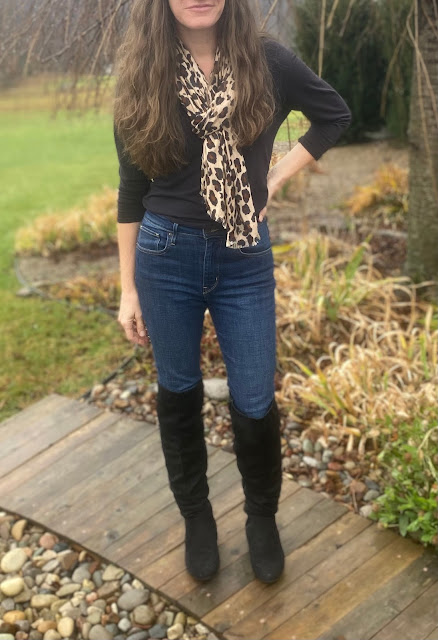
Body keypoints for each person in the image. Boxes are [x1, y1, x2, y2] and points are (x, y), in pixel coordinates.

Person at [113, 0, 351, 585]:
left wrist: (272, 175)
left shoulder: (266, 62)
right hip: (164, 255)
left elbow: (333, 115)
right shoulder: (144, 72)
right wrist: (127, 290)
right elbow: (130, 191)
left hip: (245, 255)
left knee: (253, 397)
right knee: (178, 390)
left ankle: (261, 519)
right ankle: (197, 520)